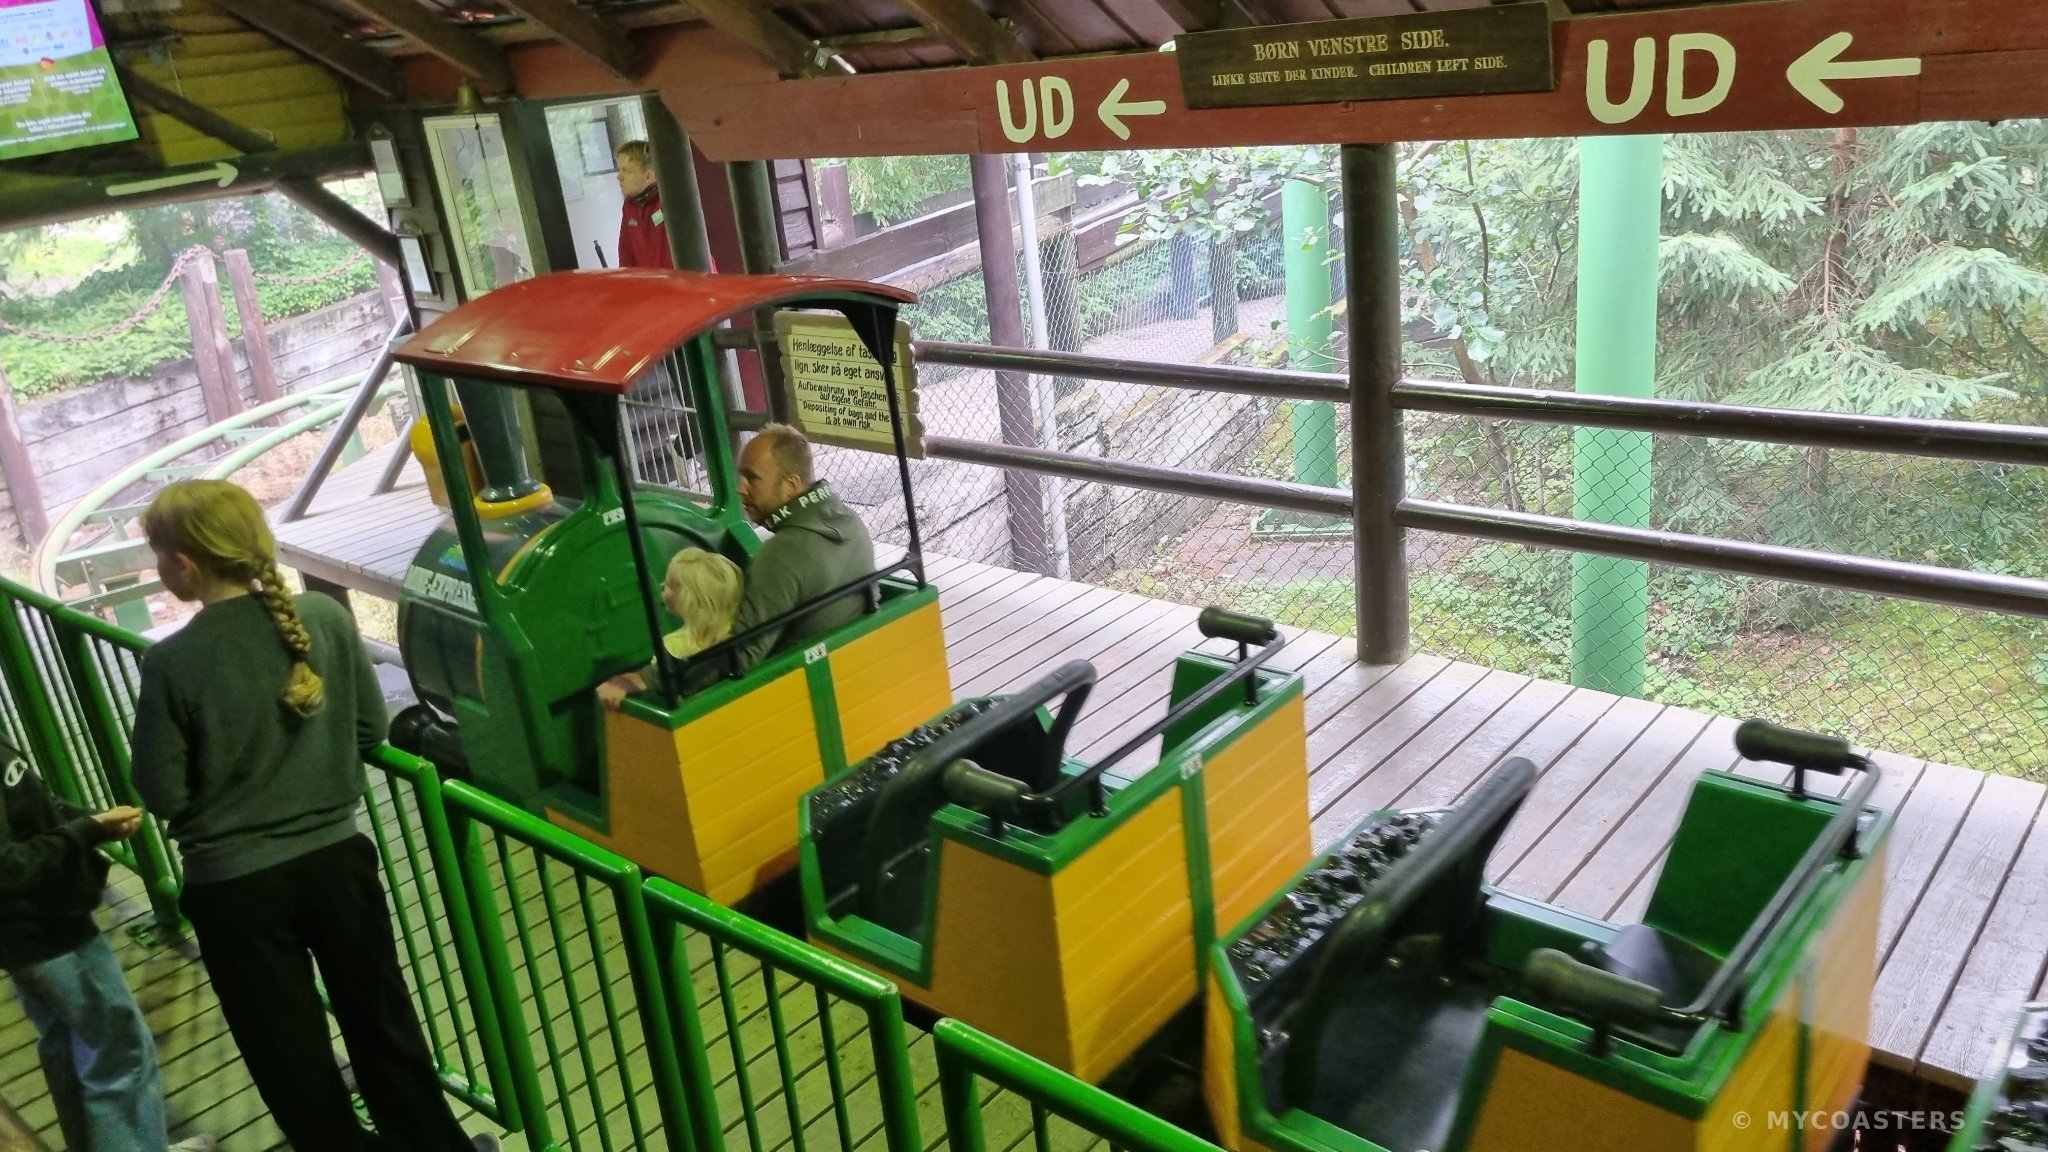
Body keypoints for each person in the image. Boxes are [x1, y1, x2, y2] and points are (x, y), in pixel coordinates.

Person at [128, 480, 497, 1152]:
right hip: (337, 864)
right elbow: (369, 730)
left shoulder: (171, 662)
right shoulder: (323, 620)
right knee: (382, 1021)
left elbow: (165, 795)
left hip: (235, 888)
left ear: (184, 563)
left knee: (287, 1050)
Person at [1, 739, 216, 1152]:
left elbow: (25, 811)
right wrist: (86, 831)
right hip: (42, 928)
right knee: (118, 1052)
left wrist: (87, 822)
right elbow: (6, 866)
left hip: (27, 934)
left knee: (69, 1045)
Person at [730, 424, 876, 670]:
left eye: (752, 478)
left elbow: (742, 656)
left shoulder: (781, 554)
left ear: (791, 484)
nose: (740, 488)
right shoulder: (850, 521)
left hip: (804, 674)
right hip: (856, 658)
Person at [598, 547, 744, 708]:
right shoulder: (737, 630)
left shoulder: (673, 646)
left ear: (688, 600)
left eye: (669, 585)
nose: (662, 585)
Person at [614, 139, 671, 270]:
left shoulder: (670, 202)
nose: (619, 177)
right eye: (619, 170)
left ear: (649, 176)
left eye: (626, 171)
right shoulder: (629, 206)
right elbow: (626, 252)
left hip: (677, 280)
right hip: (648, 281)